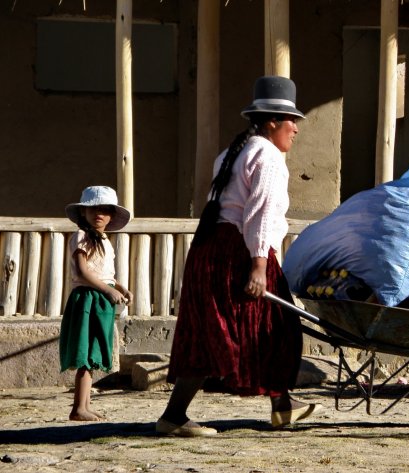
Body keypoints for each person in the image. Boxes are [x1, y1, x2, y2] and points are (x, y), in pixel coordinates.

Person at [156, 76, 322, 437]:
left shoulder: (237, 150)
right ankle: (175, 417)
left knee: (253, 328)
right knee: (267, 329)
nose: (296, 128)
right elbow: (260, 212)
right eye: (291, 120)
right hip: (240, 251)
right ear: (272, 122)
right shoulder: (268, 157)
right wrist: (259, 266)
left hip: (213, 248)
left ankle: (282, 406)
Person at [59, 185, 134, 421]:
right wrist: (107, 291)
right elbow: (82, 272)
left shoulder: (104, 241)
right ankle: (78, 408)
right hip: (88, 299)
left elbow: (103, 273)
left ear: (111, 215)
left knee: (93, 352)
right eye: (92, 209)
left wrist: (119, 287)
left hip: (101, 298)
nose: (98, 214)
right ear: (83, 213)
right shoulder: (80, 236)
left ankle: (85, 405)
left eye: (104, 209)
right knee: (85, 351)